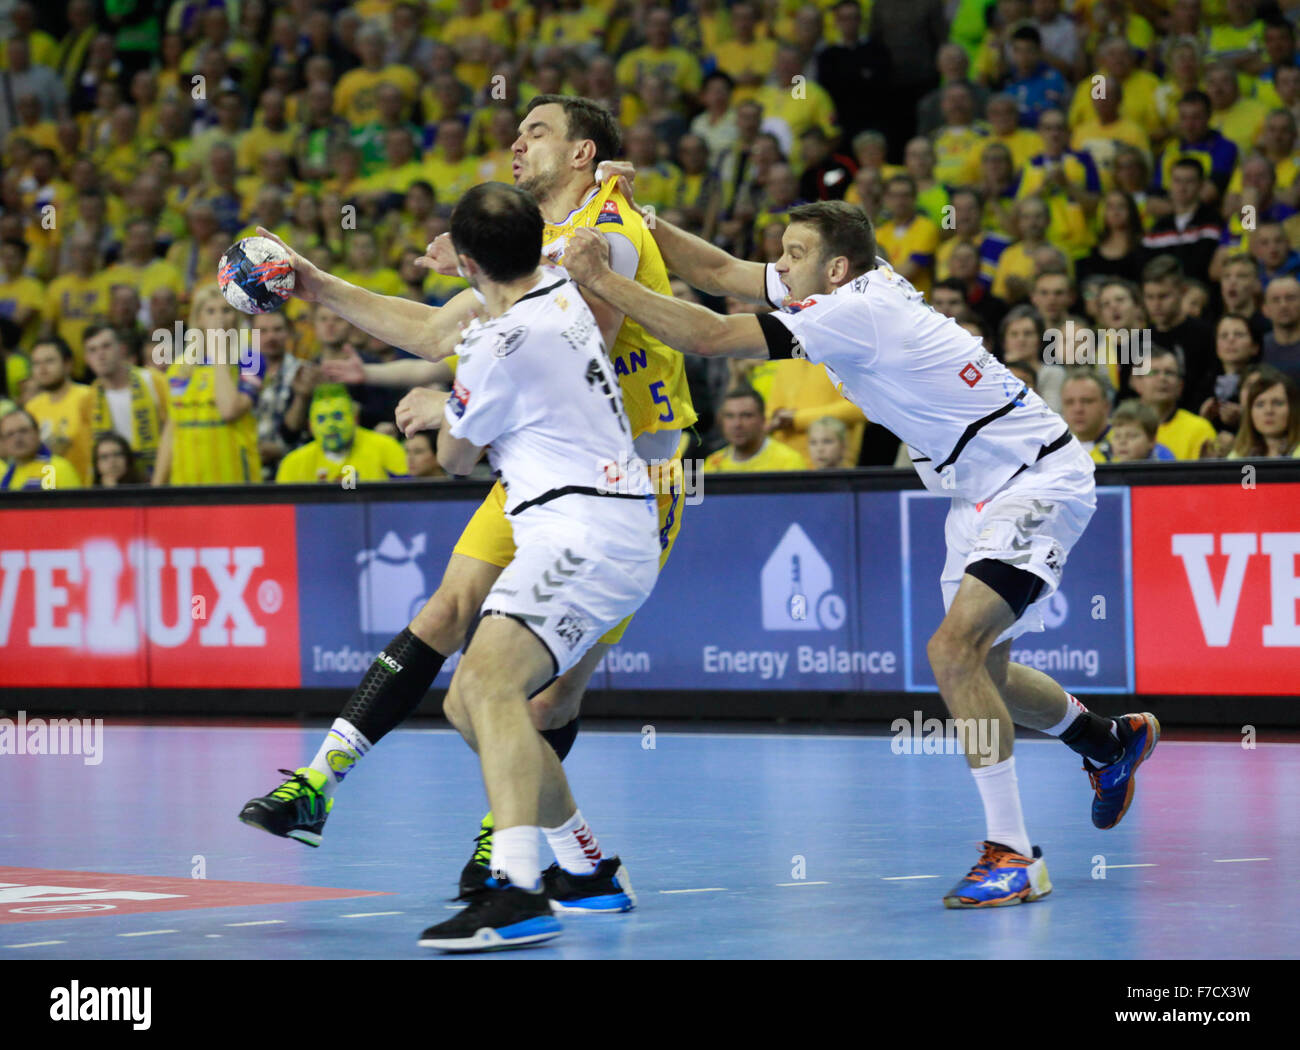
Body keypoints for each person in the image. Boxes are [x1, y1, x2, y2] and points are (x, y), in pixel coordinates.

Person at [564, 192, 1159, 908]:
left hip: (1031, 475)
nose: (780, 266)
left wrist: (599, 276)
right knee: (985, 675)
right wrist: (640, 219)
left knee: (952, 653)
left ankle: (1014, 855)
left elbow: (713, 337)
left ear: (837, 267)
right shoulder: (844, 285)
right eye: (781, 253)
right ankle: (1105, 740)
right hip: (973, 489)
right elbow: (721, 269)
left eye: (793, 255)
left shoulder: (856, 311)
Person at [239, 96, 696, 909]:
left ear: (585, 152)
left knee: (541, 693)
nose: (516, 141)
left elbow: (516, 338)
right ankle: (319, 781)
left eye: (536, 131)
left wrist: (459, 360)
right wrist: (316, 283)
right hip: (537, 473)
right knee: (447, 612)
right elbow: (437, 332)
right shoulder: (539, 253)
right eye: (515, 129)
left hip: (631, 481)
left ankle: (517, 849)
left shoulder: (610, 235)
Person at [152, 285, 262, 486]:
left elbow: (229, 410)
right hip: (186, 482)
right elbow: (171, 430)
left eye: (226, 310)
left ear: (236, 317)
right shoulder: (179, 368)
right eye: (210, 311)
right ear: (199, 318)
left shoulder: (250, 361)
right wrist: (156, 487)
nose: (219, 318)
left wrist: (218, 354)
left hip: (235, 481)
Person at [83, 324, 169, 482]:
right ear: (86, 359)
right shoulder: (89, 399)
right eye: (92, 350)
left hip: (158, 479)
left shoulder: (154, 381)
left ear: (121, 349)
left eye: (106, 346)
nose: (100, 355)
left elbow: (172, 430)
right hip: (115, 487)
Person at [275, 384, 408, 483]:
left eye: (338, 416)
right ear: (310, 426)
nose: (331, 425)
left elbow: (408, 501)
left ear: (355, 419)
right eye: (321, 419)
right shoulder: (293, 464)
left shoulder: (387, 448)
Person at [23, 335, 94, 484]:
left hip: (86, 489)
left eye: (49, 361)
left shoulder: (88, 397)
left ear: (68, 364)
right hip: (46, 490)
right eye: (36, 363)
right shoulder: (31, 407)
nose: (42, 369)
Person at [1129, 345, 1218, 460]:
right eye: (1153, 372)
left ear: (1180, 386)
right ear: (1137, 382)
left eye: (1169, 373)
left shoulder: (1200, 429)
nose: (1162, 378)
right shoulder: (1119, 430)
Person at [703, 387, 808, 471]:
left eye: (746, 416)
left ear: (763, 420)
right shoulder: (712, 463)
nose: (737, 424)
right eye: (730, 416)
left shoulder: (788, 461)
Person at [1, 406, 81, 490]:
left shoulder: (57, 467)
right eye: (10, 434)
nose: (17, 439)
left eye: (23, 431)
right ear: (3, 442)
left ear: (37, 432)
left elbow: (76, 502)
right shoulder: (6, 476)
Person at [1229, 366, 1300, 458]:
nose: (1268, 411)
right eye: (1260, 404)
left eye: (1278, 403)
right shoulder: (1238, 455)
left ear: (1293, 408)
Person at [1098, 400, 1177, 462]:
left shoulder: (1164, 462)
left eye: (1131, 436)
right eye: (1117, 436)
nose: (1122, 442)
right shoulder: (1106, 460)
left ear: (1152, 440)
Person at [1060, 369, 1112, 462]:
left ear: (1106, 406)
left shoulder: (1125, 446)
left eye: (1087, 401)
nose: (1078, 409)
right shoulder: (1053, 451)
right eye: (1069, 402)